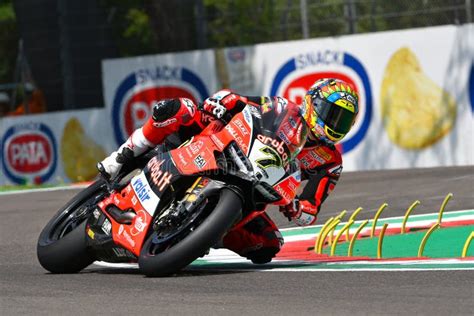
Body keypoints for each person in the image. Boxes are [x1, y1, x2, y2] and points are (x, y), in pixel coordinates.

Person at [98, 78, 359, 263]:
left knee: (267, 245)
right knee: (180, 109)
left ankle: (204, 234)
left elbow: (312, 209)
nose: (335, 123)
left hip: (256, 187)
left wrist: (298, 209)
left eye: (343, 120)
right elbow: (240, 101)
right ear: (313, 103)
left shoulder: (330, 160)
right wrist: (220, 103)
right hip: (221, 145)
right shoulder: (282, 108)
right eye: (332, 113)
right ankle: (121, 157)